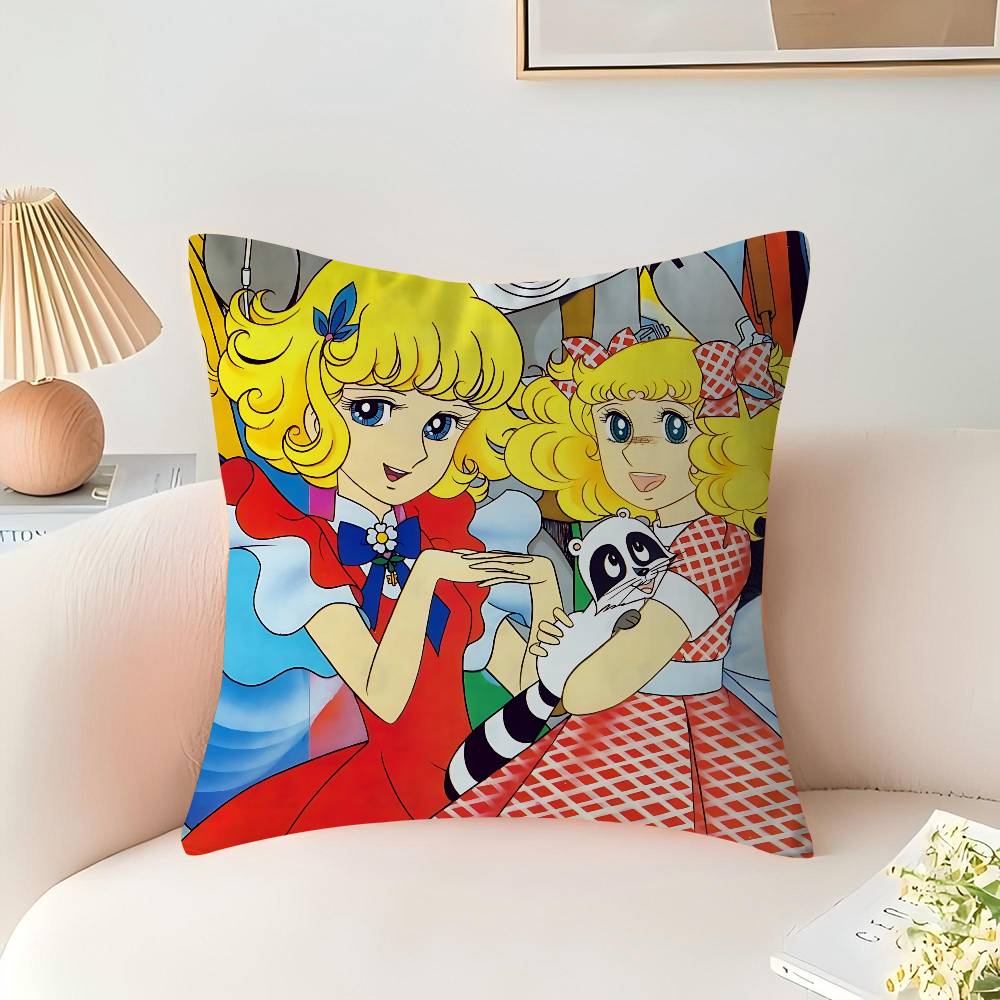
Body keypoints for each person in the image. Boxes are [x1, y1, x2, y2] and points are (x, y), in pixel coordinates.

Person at [183, 263, 562, 853]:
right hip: (389, 797)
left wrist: (545, 589)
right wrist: (426, 575)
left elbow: (530, 688)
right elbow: (383, 693)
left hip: (467, 787)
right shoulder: (306, 547)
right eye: (370, 411)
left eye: (441, 424)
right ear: (308, 405)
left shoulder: (441, 536)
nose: (410, 451)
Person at [485, 332, 812, 855]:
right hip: (616, 715)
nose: (639, 450)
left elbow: (610, 674)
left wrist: (565, 679)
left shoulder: (714, 541)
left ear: (722, 437)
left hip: (675, 726)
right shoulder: (633, 531)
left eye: (674, 427)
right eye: (618, 427)